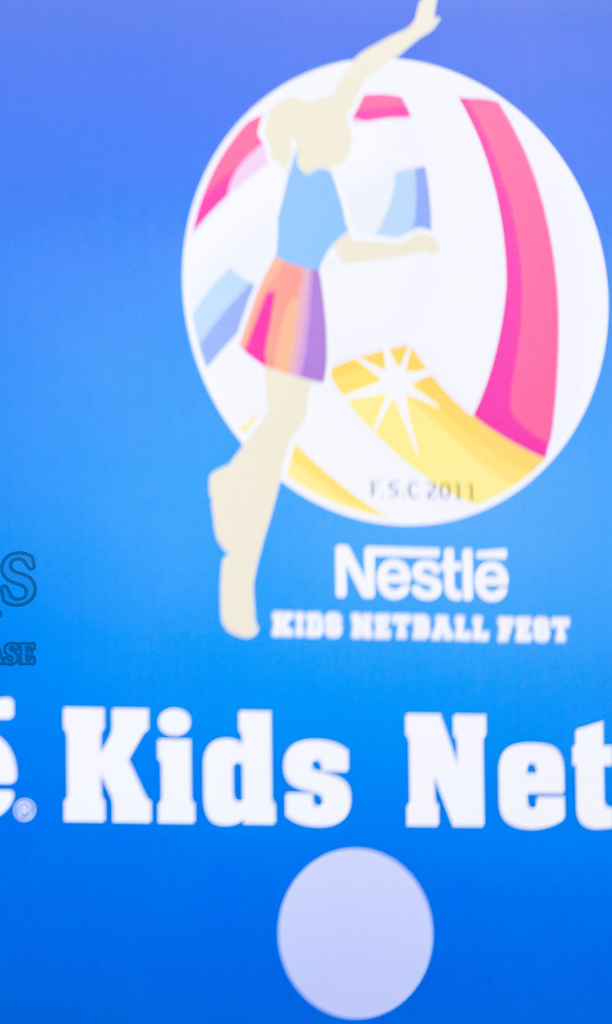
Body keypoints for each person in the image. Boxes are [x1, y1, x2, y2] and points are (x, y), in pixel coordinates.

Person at [208, 0, 442, 638]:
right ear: (312, 133)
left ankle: (236, 502)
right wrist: (415, 31)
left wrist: (408, 243)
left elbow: (347, 249)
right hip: (292, 295)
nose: (348, 127)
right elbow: (358, 75)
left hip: (300, 295)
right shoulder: (309, 164)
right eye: (336, 122)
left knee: (284, 422)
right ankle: (237, 538)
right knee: (283, 423)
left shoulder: (320, 182)